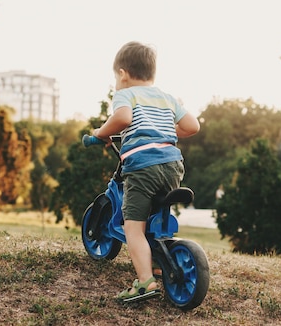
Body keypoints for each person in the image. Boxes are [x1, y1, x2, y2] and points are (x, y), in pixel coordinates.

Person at [92, 41, 200, 302]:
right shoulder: (166, 97)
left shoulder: (126, 94)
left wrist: (101, 133)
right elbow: (193, 126)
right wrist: (164, 133)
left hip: (143, 168)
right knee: (156, 213)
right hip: (174, 166)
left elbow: (123, 119)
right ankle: (158, 260)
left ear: (122, 74)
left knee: (133, 227)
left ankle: (145, 283)